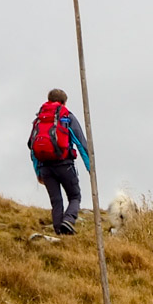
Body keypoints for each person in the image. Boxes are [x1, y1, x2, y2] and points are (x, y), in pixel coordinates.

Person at [28, 88, 92, 235]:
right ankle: (68, 221)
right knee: (75, 196)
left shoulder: (39, 119)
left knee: (56, 201)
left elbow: (33, 148)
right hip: (65, 165)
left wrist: (38, 172)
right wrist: (90, 167)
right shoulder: (66, 116)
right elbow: (81, 143)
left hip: (45, 167)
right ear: (64, 102)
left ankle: (59, 233)